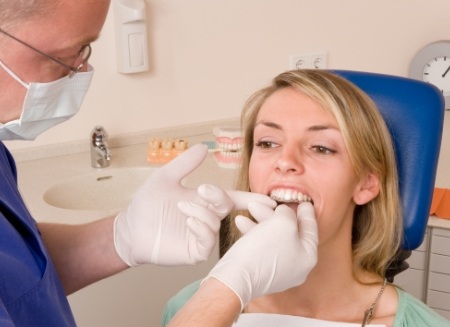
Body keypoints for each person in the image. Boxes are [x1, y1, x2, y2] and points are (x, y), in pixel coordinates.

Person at [0, 1, 321, 325]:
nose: (81, 71)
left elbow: (18, 273)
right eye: (72, 52)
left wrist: (120, 237)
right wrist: (230, 285)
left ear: (369, 180)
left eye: (322, 147)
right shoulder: (184, 305)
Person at [163, 69, 450, 326]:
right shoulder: (190, 308)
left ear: (365, 183)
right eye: (267, 143)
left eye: (321, 148)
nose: (285, 161)